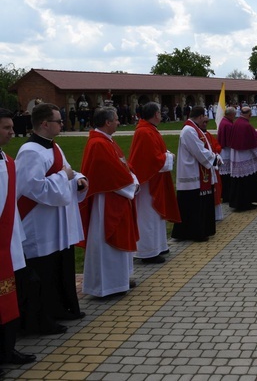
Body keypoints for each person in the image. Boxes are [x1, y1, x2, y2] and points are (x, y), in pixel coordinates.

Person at [15, 103, 88, 331]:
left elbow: (67, 170)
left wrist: (78, 178)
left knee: (59, 266)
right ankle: (41, 320)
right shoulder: (29, 152)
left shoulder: (53, 147)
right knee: (44, 271)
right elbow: (34, 189)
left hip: (57, 222)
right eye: (58, 121)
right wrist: (64, 176)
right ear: (45, 124)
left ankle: (60, 308)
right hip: (40, 222)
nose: (62, 124)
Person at [79, 107, 139, 298]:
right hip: (107, 200)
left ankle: (118, 281)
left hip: (116, 195)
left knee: (117, 240)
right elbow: (107, 174)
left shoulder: (106, 141)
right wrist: (132, 184)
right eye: (116, 119)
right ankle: (107, 286)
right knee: (107, 242)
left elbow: (121, 166)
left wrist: (131, 179)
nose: (118, 122)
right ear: (107, 122)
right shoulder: (98, 144)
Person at [0, 108, 37, 372]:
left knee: (8, 299)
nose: (13, 132)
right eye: (6, 128)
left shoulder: (7, 160)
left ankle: (7, 348)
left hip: (9, 242)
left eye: (12, 127)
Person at [128, 102, 180, 265]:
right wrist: (169, 157)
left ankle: (159, 246)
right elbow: (150, 160)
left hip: (154, 180)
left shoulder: (149, 129)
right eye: (160, 112)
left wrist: (165, 155)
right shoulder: (144, 132)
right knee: (148, 217)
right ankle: (147, 251)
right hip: (147, 182)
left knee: (155, 217)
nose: (161, 114)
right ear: (155, 114)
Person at [172, 106, 222, 242]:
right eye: (204, 117)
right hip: (191, 174)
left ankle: (199, 230)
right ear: (200, 116)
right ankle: (194, 232)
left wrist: (213, 156)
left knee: (196, 205)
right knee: (192, 206)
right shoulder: (189, 130)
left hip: (198, 171)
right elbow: (199, 151)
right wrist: (214, 159)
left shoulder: (195, 129)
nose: (205, 119)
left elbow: (205, 148)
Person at [229, 107, 257, 212]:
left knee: (239, 181)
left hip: (236, 156)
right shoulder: (247, 125)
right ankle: (245, 203)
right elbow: (255, 143)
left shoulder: (237, 122)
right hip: (245, 156)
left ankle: (238, 203)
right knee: (246, 181)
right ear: (250, 114)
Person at [216, 106, 236, 204]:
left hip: (223, 150)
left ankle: (224, 195)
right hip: (226, 152)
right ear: (231, 114)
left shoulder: (224, 121)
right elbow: (230, 140)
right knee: (226, 177)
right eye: (234, 115)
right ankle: (226, 195)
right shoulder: (227, 124)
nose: (235, 117)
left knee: (224, 176)